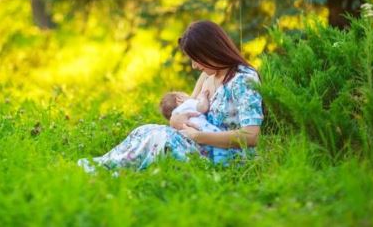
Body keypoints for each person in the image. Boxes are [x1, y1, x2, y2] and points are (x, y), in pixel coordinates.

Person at [77, 20, 263, 172]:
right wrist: (178, 120)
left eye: (196, 59)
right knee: (146, 130)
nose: (194, 66)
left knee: (160, 138)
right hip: (201, 145)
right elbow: (189, 111)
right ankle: (102, 165)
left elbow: (251, 136)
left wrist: (199, 136)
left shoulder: (243, 80)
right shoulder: (209, 75)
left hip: (227, 156)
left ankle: (108, 172)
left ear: (211, 50)